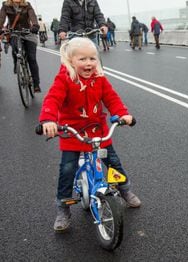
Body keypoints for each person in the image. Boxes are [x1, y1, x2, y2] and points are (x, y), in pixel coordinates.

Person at [38, 37, 141, 232]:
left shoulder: (100, 78)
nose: (88, 63)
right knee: (67, 170)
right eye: (82, 59)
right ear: (70, 60)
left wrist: (122, 114)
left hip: (98, 132)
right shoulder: (65, 79)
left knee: (113, 162)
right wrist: (49, 120)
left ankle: (125, 190)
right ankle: (63, 208)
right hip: (73, 134)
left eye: (92, 59)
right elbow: (53, 99)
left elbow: (112, 98)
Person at [0, 0, 41, 92]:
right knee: (14, 47)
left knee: (32, 58)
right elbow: (1, 18)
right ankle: (16, 62)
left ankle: (36, 84)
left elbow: (33, 16)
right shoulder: (5, 5)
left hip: (28, 33)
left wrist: (35, 26)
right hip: (14, 32)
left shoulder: (27, 5)